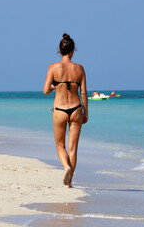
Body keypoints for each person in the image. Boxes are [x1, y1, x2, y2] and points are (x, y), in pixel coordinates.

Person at [43, 33, 88, 188]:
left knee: (60, 145)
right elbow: (83, 93)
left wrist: (55, 86)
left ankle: (66, 167)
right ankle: (69, 184)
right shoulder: (79, 68)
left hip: (60, 110)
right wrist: (86, 112)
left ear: (60, 51)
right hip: (76, 109)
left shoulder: (53, 67)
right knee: (73, 148)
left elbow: (45, 91)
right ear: (72, 50)